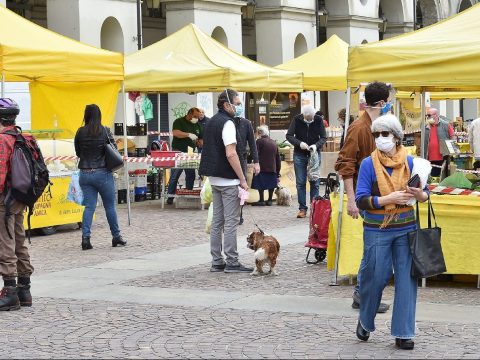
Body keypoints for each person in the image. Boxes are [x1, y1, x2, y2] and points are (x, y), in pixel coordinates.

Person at [355, 114, 429, 350]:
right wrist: (388, 198)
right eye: (376, 134)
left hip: (407, 226)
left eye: (384, 134)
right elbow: (361, 200)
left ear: (397, 138)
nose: (380, 139)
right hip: (377, 229)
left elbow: (426, 194)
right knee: (375, 276)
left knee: (407, 279)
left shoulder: (411, 163)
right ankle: (365, 320)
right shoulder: (368, 163)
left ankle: (403, 332)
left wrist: (419, 195)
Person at [334, 81, 392, 314]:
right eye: (387, 102)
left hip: (379, 197)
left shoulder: (377, 126)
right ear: (380, 103)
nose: (389, 106)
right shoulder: (359, 128)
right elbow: (345, 165)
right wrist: (351, 200)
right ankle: (362, 294)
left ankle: (365, 293)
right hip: (366, 197)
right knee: (372, 250)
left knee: (375, 250)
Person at [199, 89, 252, 273]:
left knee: (217, 222)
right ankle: (232, 261)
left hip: (214, 178)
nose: (239, 107)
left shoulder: (212, 121)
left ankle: (216, 260)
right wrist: (242, 178)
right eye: (237, 104)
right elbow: (231, 153)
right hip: (228, 180)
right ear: (226, 105)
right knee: (230, 222)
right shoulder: (228, 123)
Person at [74, 104, 126, 250]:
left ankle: (85, 239)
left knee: (89, 207)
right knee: (110, 206)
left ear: (86, 115)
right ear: (99, 115)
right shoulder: (105, 131)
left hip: (84, 173)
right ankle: (116, 237)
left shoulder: (80, 131)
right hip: (103, 173)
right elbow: (114, 150)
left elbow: (78, 152)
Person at [0, 98, 35, 310]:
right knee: (19, 239)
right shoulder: (23, 137)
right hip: (21, 198)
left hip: (4, 199)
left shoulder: (3, 140)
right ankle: (25, 289)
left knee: (5, 242)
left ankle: (10, 292)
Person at [286, 105, 327, 218]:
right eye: (307, 118)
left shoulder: (318, 120)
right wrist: (299, 143)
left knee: (315, 182)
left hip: (314, 154)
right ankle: (302, 209)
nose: (309, 120)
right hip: (300, 154)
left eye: (311, 118)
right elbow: (289, 135)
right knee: (300, 182)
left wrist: (316, 145)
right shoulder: (297, 119)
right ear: (303, 115)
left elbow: (323, 137)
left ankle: (315, 208)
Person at [166, 107, 203, 204]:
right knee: (175, 174)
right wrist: (188, 135)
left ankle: (189, 194)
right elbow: (176, 133)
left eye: (198, 117)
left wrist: (199, 142)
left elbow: (200, 140)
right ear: (189, 114)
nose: (196, 119)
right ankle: (170, 196)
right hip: (178, 151)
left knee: (191, 174)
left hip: (190, 152)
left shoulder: (198, 125)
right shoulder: (179, 121)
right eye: (195, 116)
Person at [251, 125, 281, 206]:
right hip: (272, 168)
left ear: (260, 133)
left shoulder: (259, 142)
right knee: (271, 184)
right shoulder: (274, 142)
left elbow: (255, 154)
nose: (256, 134)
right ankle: (270, 200)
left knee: (261, 184)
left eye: (257, 132)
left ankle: (261, 200)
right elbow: (278, 158)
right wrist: (278, 171)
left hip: (262, 167)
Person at [425, 108, 454, 177]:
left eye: (429, 115)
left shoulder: (445, 124)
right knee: (432, 178)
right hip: (428, 157)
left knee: (443, 177)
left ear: (436, 115)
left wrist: (452, 152)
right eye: (426, 115)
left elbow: (452, 137)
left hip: (443, 156)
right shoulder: (425, 126)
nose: (427, 117)